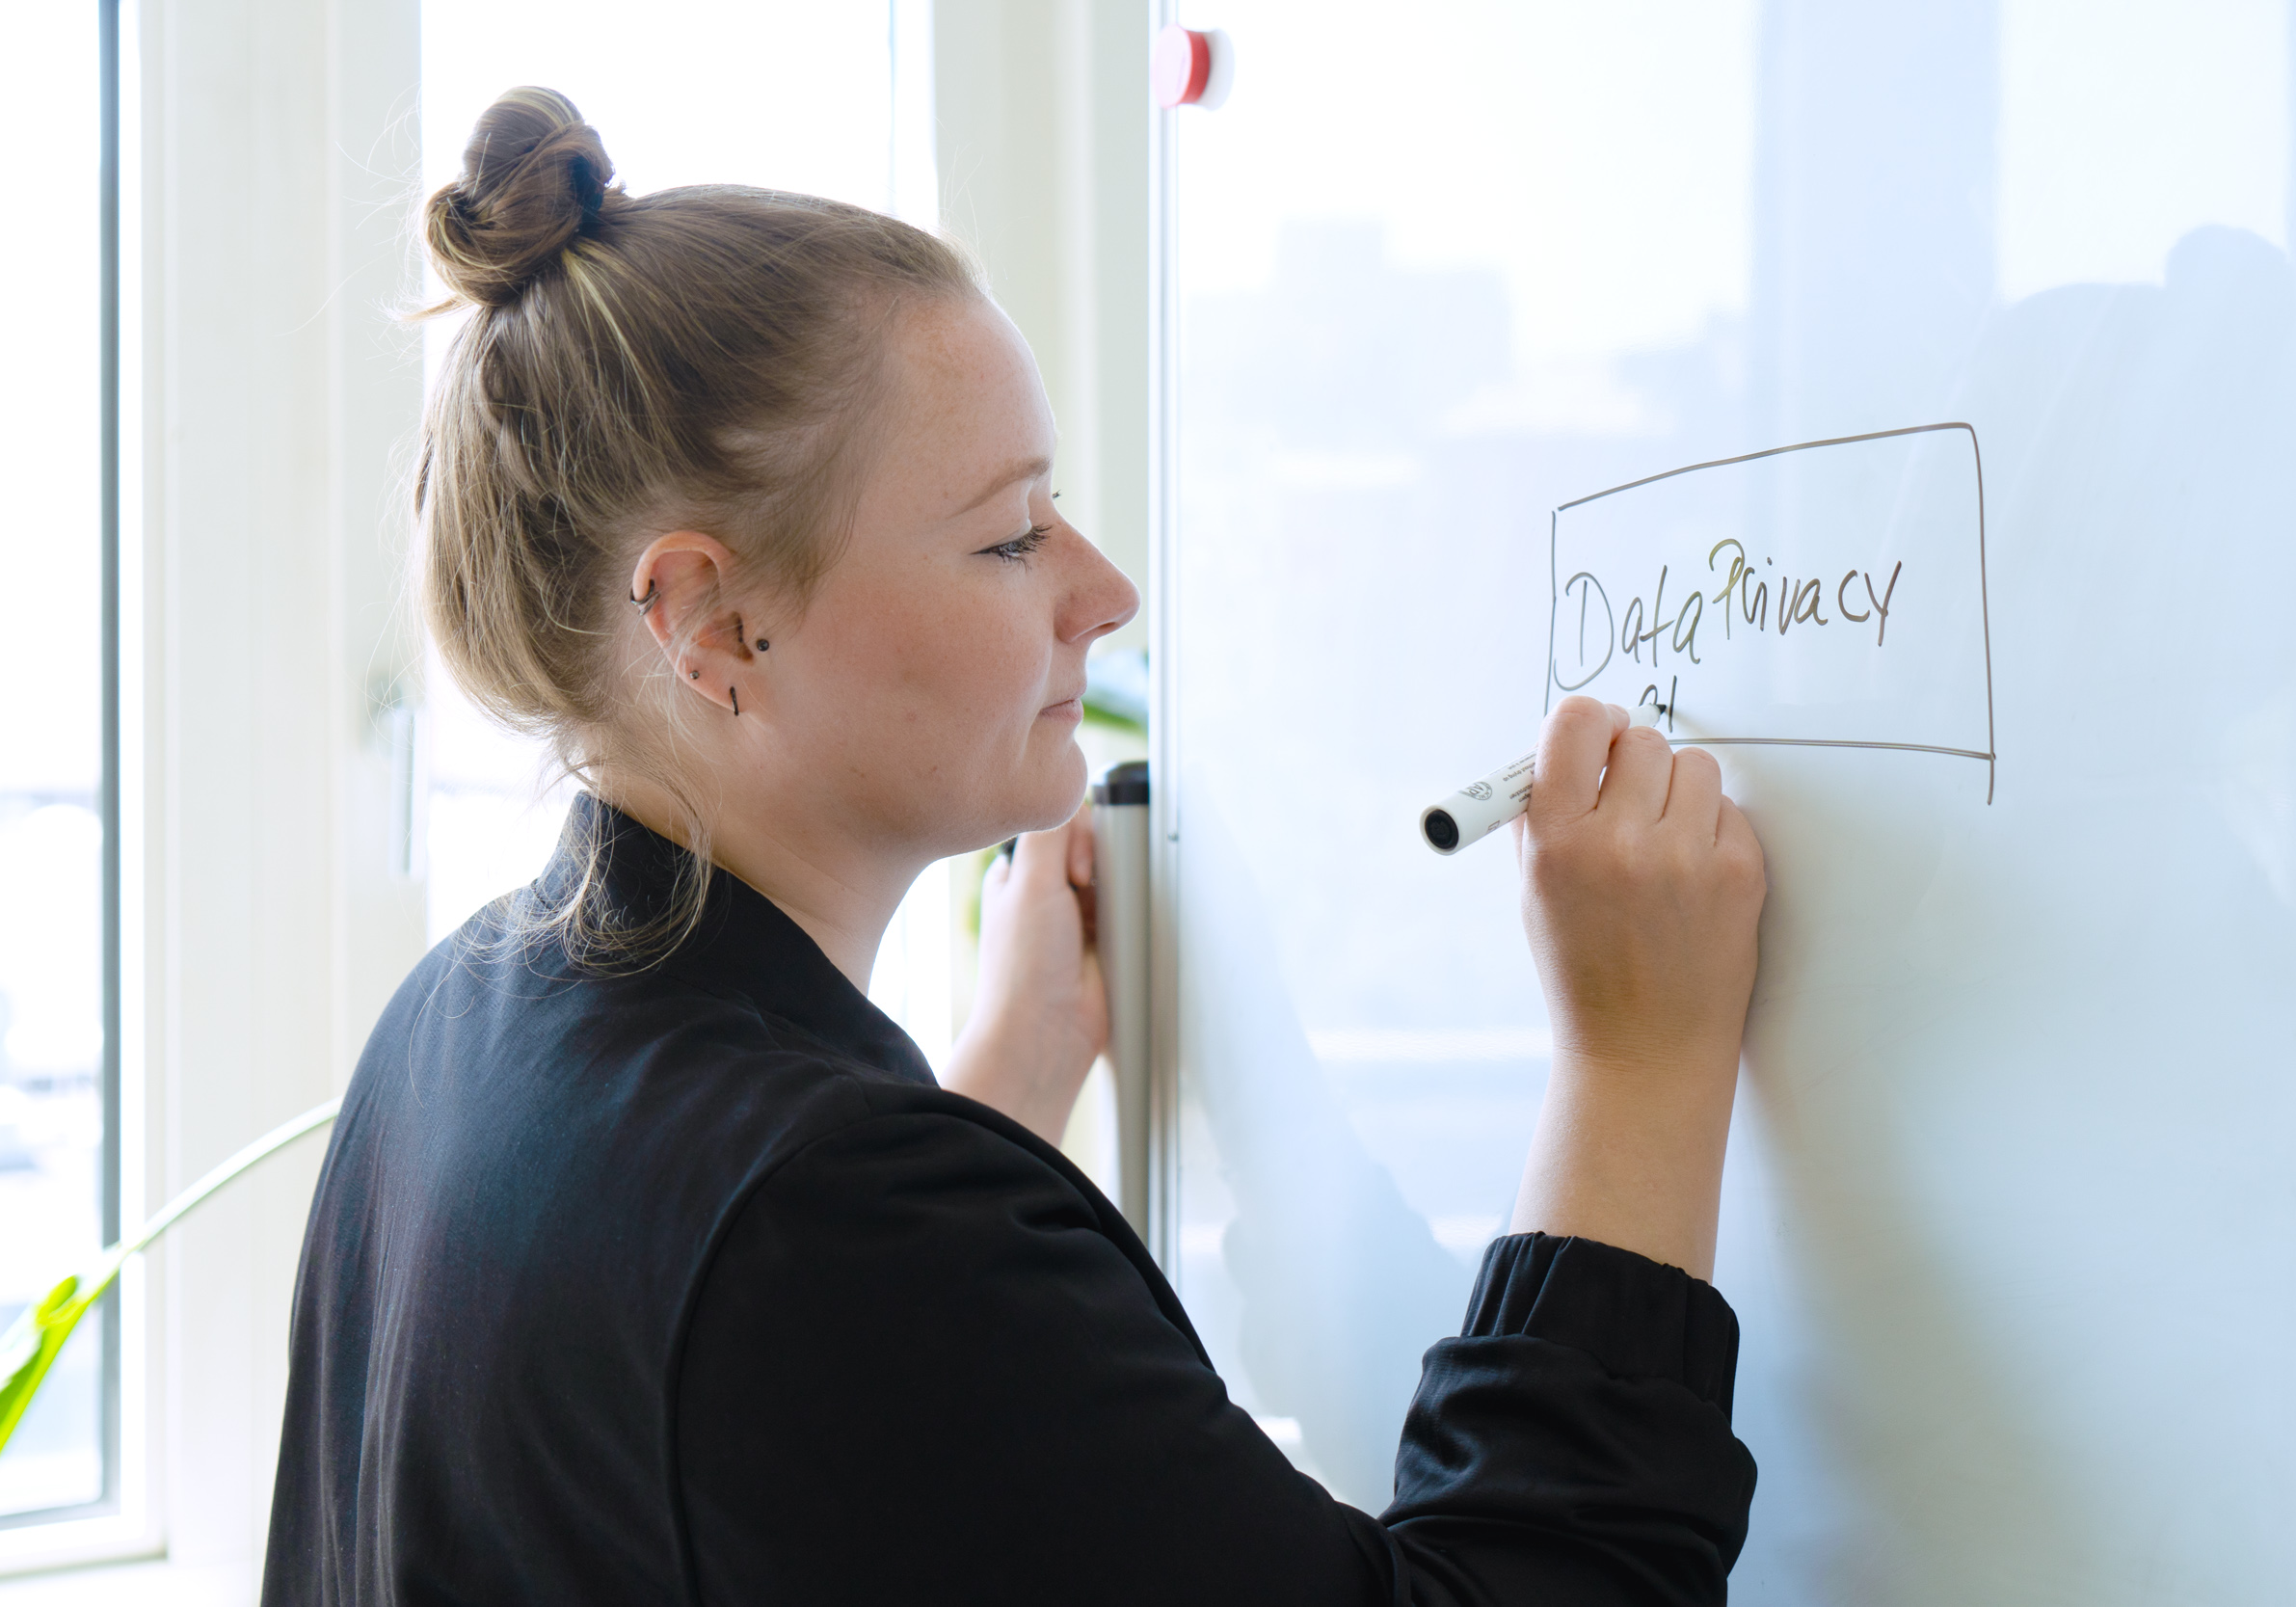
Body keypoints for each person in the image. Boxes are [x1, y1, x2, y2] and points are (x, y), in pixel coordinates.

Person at [264, 88, 1767, 1605]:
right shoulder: (832, 1222)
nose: (1104, 590)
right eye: (1011, 534)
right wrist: (1636, 1061)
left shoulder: (458, 1030)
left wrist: (1009, 1086)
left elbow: (778, 1463)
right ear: (715, 625)